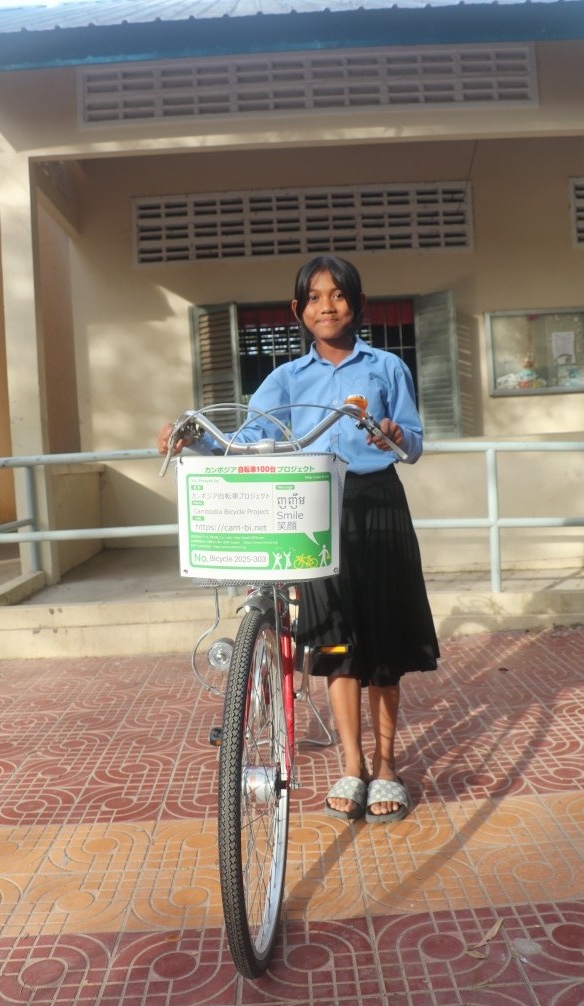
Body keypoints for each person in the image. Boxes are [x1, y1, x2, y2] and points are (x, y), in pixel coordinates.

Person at [158, 255, 439, 823]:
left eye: (338, 295)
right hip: (314, 510)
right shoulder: (285, 380)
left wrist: (391, 434)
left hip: (377, 504)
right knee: (337, 641)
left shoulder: (386, 368)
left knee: (383, 641)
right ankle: (352, 766)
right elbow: (243, 440)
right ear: (298, 309)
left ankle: (387, 766)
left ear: (358, 304)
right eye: (313, 297)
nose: (326, 306)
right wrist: (192, 441)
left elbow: (413, 444)